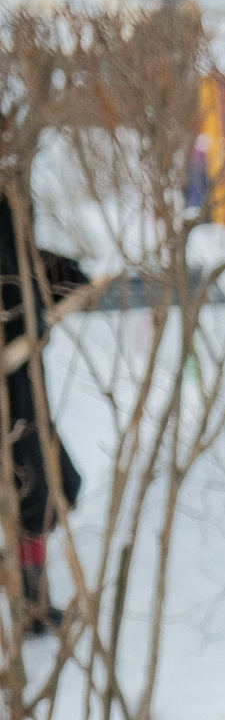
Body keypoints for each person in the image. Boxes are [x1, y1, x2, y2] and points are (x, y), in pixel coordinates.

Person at [2, 193, 86, 638]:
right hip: (11, 379)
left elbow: (19, 257)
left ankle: (32, 602)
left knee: (44, 486)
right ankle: (29, 604)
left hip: (23, 376)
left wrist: (61, 276)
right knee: (32, 485)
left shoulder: (8, 196)